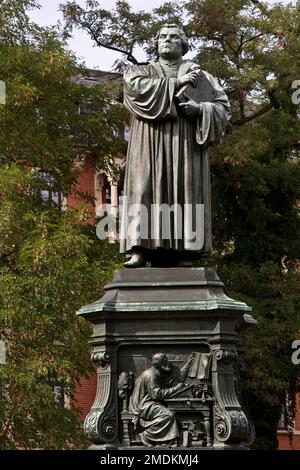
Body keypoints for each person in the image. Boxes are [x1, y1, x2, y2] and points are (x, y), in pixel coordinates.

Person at [120, 23, 231, 267]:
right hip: (148, 143)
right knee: (143, 189)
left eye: (174, 37)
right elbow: (134, 90)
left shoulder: (202, 77)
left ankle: (184, 251)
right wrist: (177, 84)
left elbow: (224, 109)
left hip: (185, 145)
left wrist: (200, 109)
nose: (167, 40)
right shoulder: (140, 71)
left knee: (186, 191)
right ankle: (139, 249)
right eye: (162, 37)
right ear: (156, 43)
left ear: (183, 44)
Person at [129, 352, 194, 447]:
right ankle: (146, 435)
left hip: (148, 402)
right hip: (142, 405)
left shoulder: (159, 372)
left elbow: (178, 379)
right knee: (168, 415)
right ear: (159, 363)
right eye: (165, 361)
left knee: (169, 413)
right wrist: (176, 389)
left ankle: (165, 441)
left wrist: (188, 364)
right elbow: (157, 395)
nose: (168, 363)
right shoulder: (152, 375)